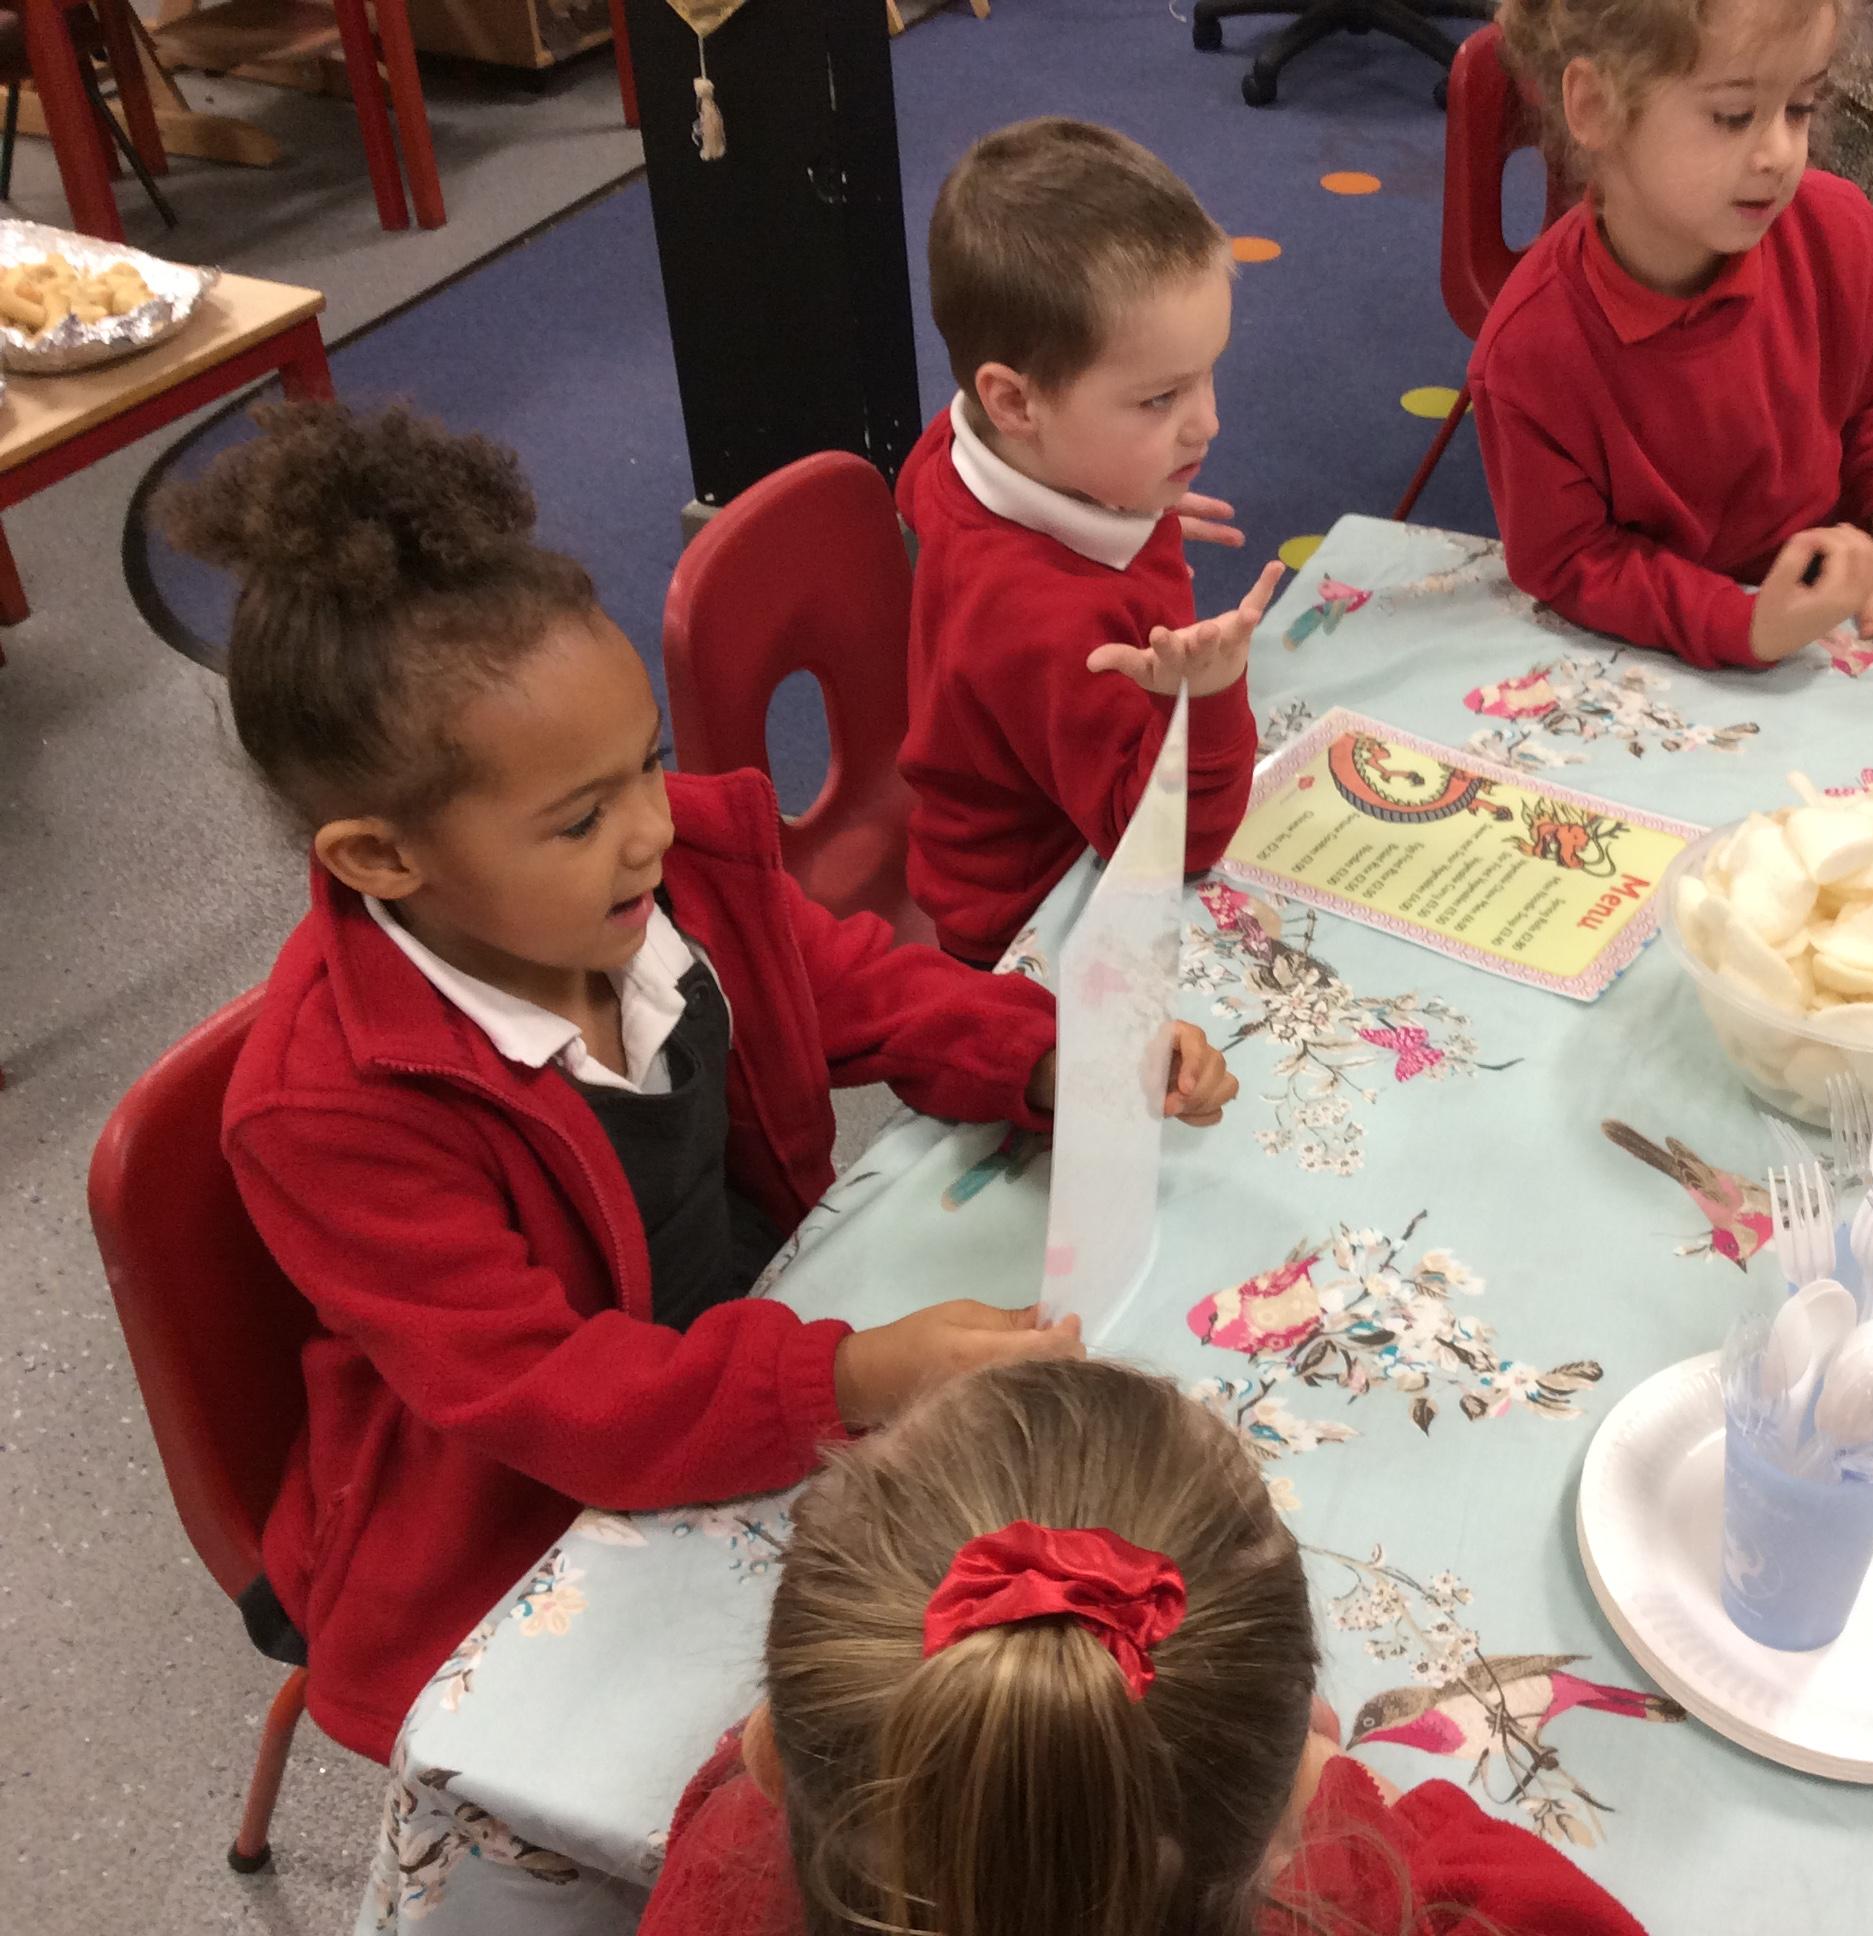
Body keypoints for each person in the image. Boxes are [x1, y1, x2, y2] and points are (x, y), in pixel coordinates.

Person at [167, 402, 1240, 1764]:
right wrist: (850, 1373)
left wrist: (1055, 1050)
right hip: (507, 1521)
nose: (650, 831)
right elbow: (548, 1395)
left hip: (747, 1348)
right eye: (581, 817)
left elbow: (854, 983)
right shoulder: (326, 1113)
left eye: (648, 765)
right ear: (382, 860)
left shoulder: (663, 887)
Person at [639, 1358, 1651, 1936]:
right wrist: (1363, 1802)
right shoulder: (1374, 1895)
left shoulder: (721, 1888)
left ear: (767, 1753)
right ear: (1289, 1824)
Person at [1469, 0, 1873, 675]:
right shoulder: (1531, 351)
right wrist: (1742, 624)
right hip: (1656, 657)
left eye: (1800, 108)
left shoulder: (1842, 239)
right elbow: (1571, 560)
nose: (1780, 154)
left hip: (1836, 622)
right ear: (1594, 107)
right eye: (1734, 116)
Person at [899, 118, 1286, 965]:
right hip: (1030, 932)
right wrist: (1210, 698)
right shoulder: (1042, 619)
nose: (1209, 422)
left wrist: (1134, 504)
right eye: (1160, 399)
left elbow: (933, 471)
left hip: (1046, 832)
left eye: (1209, 373)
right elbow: (1166, 844)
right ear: (1015, 403)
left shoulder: (979, 449)